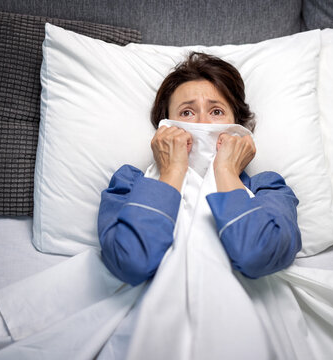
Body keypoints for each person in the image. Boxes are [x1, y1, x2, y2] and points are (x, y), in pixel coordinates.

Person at [97, 52, 301, 286]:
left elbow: (258, 255)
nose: (202, 122)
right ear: (165, 127)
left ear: (237, 127)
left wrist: (225, 170)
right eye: (187, 112)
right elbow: (132, 262)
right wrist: (173, 169)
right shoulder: (128, 184)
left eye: (216, 112)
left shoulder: (270, 188)